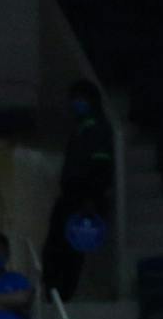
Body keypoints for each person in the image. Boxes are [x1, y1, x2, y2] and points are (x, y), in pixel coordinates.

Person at [41, 79, 114, 302]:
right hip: (71, 197)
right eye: (74, 99)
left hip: (83, 200)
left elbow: (101, 167)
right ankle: (55, 292)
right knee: (55, 248)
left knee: (69, 251)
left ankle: (62, 295)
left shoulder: (97, 129)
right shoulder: (80, 129)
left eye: (81, 99)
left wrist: (90, 199)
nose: (76, 104)